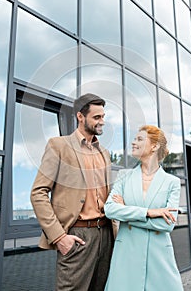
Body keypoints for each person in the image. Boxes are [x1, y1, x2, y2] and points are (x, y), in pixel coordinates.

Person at [31, 93, 115, 291]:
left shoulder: (104, 153)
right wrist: (59, 237)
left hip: (106, 234)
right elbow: (38, 192)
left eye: (103, 116)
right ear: (80, 116)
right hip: (77, 234)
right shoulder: (58, 145)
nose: (102, 121)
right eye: (96, 117)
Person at [104, 125, 184, 291]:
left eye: (139, 139)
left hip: (159, 257)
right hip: (126, 254)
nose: (133, 142)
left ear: (154, 146)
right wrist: (149, 213)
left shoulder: (172, 182)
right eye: (134, 139)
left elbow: (167, 225)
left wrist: (126, 210)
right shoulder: (124, 176)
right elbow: (110, 209)